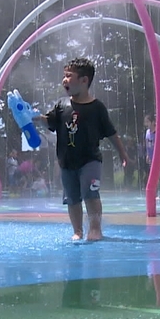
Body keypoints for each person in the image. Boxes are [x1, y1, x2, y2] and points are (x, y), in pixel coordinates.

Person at [40, 57, 129, 241]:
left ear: (84, 80)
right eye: (64, 76)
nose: (64, 80)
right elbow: (48, 122)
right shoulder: (61, 105)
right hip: (66, 162)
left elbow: (112, 133)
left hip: (90, 160)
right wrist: (32, 117)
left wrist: (123, 154)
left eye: (68, 76)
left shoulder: (97, 108)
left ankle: (95, 229)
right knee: (72, 198)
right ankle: (78, 230)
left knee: (90, 194)